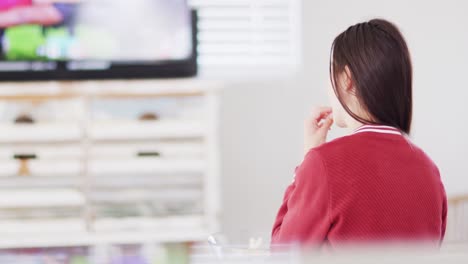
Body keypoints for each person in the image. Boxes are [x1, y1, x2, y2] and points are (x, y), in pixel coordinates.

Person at [271, 19, 447, 247]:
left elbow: (284, 253)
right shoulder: (429, 170)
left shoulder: (323, 164)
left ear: (347, 80)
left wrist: (307, 161)